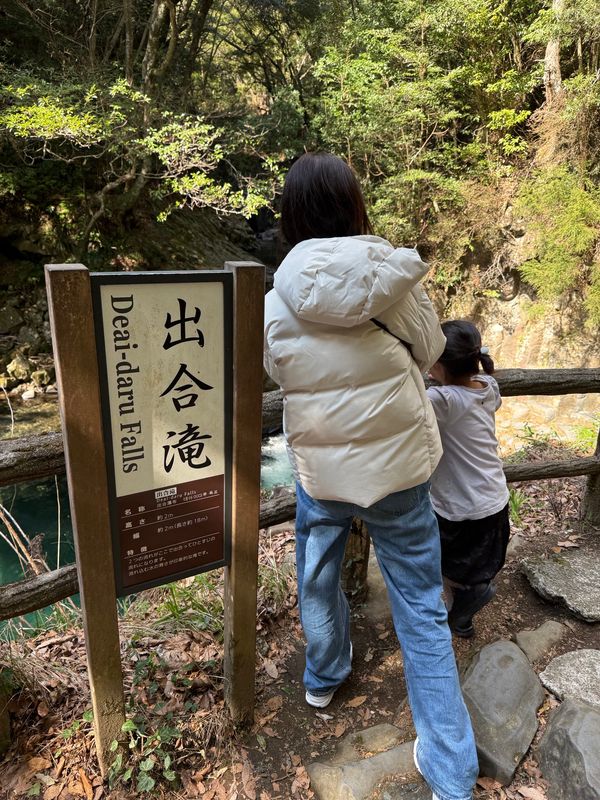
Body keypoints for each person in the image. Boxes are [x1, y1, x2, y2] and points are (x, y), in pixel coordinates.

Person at [264, 152, 478, 800]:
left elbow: (280, 373)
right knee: (418, 607)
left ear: (292, 216)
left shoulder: (278, 296)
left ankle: (325, 678)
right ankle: (451, 771)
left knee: (319, 577)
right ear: (355, 207)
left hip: (322, 469)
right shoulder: (393, 279)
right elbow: (433, 350)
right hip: (399, 471)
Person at [427, 320, 510, 638]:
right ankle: (462, 615)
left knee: (445, 565)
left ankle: (466, 599)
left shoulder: (442, 401)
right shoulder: (488, 386)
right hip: (495, 501)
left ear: (437, 364)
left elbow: (404, 402)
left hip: (459, 509)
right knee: (471, 564)